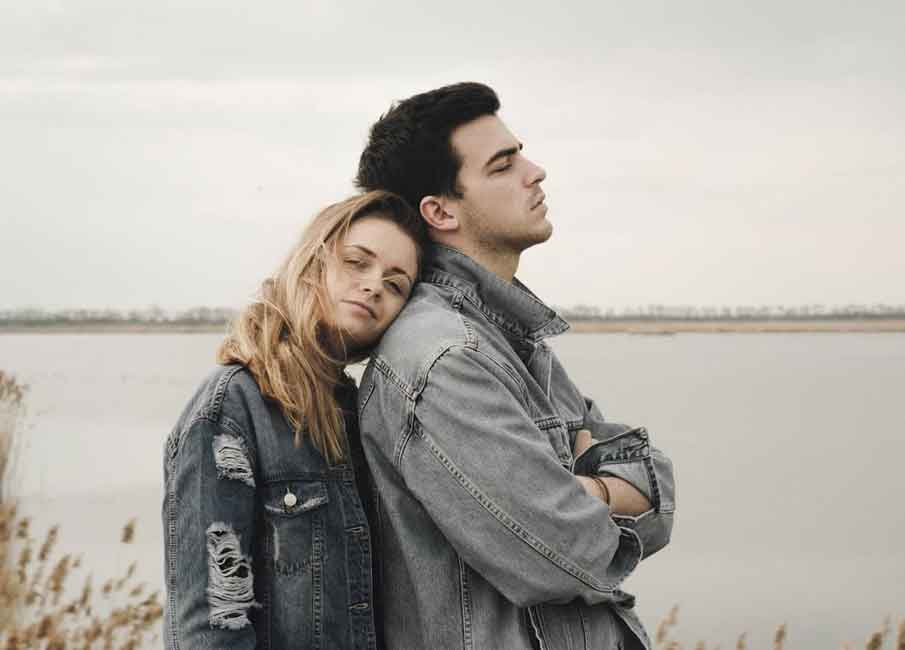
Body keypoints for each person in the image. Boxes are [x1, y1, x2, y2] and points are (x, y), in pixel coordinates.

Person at [355, 82, 676, 649]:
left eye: (520, 155)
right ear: (440, 211)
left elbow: (656, 489)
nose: (536, 172)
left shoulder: (513, 341)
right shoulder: (443, 360)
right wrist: (605, 492)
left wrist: (579, 492)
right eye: (503, 166)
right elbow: (568, 554)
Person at [162, 190, 426, 649]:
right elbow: (210, 627)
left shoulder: (360, 414)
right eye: (356, 262)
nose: (373, 286)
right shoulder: (233, 406)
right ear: (312, 262)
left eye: (395, 285)